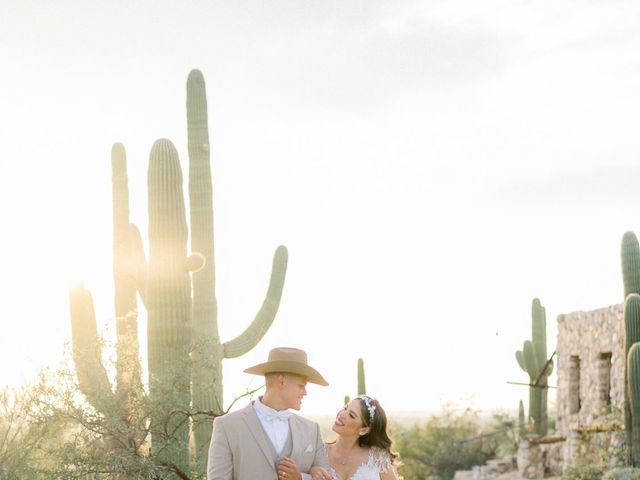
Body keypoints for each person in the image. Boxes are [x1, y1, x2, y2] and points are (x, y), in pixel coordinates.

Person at [207, 347, 334, 480]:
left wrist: (301, 478)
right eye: (301, 385)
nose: (305, 392)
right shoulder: (227, 426)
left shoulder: (312, 430)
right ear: (281, 381)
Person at [314, 396, 399, 480]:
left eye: (351, 415)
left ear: (363, 430)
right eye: (345, 408)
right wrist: (311, 471)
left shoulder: (376, 458)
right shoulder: (319, 452)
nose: (342, 414)